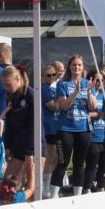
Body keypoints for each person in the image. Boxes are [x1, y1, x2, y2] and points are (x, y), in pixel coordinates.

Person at [52, 55, 92, 197]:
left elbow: (92, 107)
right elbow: (63, 106)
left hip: (83, 129)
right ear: (69, 67)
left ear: (83, 67)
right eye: (74, 65)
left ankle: (77, 195)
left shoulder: (88, 83)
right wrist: (76, 92)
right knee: (63, 162)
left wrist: (87, 91)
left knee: (79, 163)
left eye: (79, 65)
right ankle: (53, 195)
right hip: (66, 129)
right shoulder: (62, 84)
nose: (77, 68)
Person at [1, 65, 38, 199]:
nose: (6, 87)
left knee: (32, 188)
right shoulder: (11, 96)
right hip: (18, 146)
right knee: (8, 187)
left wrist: (30, 152)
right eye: (4, 85)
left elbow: (35, 125)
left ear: (17, 79)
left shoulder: (31, 95)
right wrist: (8, 146)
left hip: (34, 147)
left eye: (8, 84)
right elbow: (9, 124)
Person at [41, 64, 61, 198]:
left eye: (54, 75)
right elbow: (53, 106)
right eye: (48, 75)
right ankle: (45, 186)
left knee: (56, 158)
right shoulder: (43, 89)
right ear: (43, 76)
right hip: (48, 127)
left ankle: (51, 185)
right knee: (50, 158)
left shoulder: (54, 89)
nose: (52, 77)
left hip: (57, 127)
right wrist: (63, 100)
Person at [85, 70, 105, 193]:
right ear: (92, 80)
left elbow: (104, 113)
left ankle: (101, 187)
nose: (100, 83)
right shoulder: (89, 93)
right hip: (92, 135)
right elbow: (88, 111)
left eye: (102, 80)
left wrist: (96, 114)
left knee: (103, 165)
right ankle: (86, 189)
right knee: (91, 165)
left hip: (104, 134)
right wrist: (97, 114)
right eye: (97, 80)